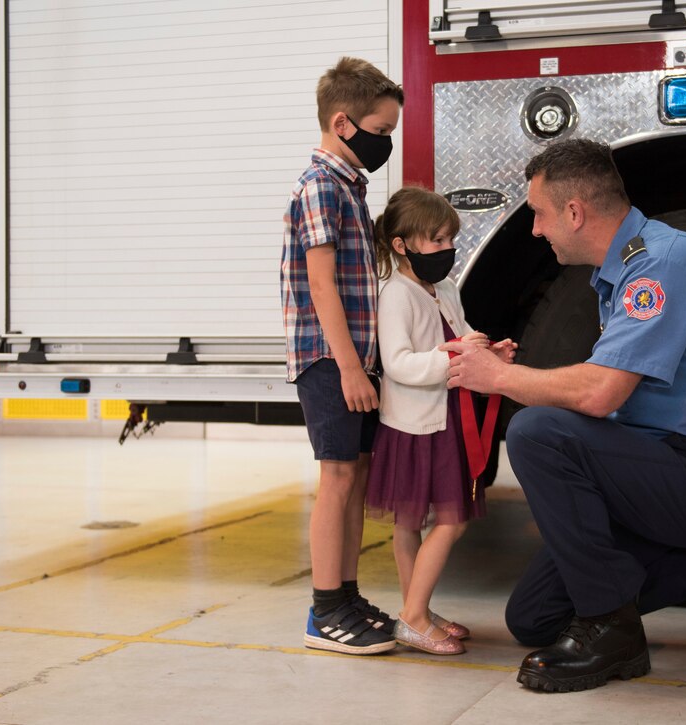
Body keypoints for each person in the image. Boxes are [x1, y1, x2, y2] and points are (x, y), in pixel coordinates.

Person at [442, 139, 686, 692]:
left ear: (575, 213)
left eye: (539, 214)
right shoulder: (622, 270)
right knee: (534, 620)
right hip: (652, 473)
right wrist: (514, 369)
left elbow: (600, 396)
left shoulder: (660, 266)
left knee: (536, 431)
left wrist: (499, 379)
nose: (535, 230)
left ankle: (611, 631)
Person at [281, 57, 403, 655]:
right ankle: (324, 610)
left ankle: (346, 595)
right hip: (331, 359)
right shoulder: (318, 188)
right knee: (336, 476)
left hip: (355, 357)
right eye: (380, 131)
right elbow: (322, 287)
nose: (385, 142)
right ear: (342, 121)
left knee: (355, 475)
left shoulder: (349, 186)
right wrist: (352, 367)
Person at [367, 187, 518, 655]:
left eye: (449, 238)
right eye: (435, 240)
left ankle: (419, 609)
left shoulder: (445, 288)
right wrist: (451, 364)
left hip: (445, 417)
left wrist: (485, 352)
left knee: (417, 521)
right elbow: (398, 364)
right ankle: (412, 618)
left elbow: (456, 335)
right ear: (402, 245)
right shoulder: (395, 295)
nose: (446, 249)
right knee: (444, 520)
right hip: (413, 427)